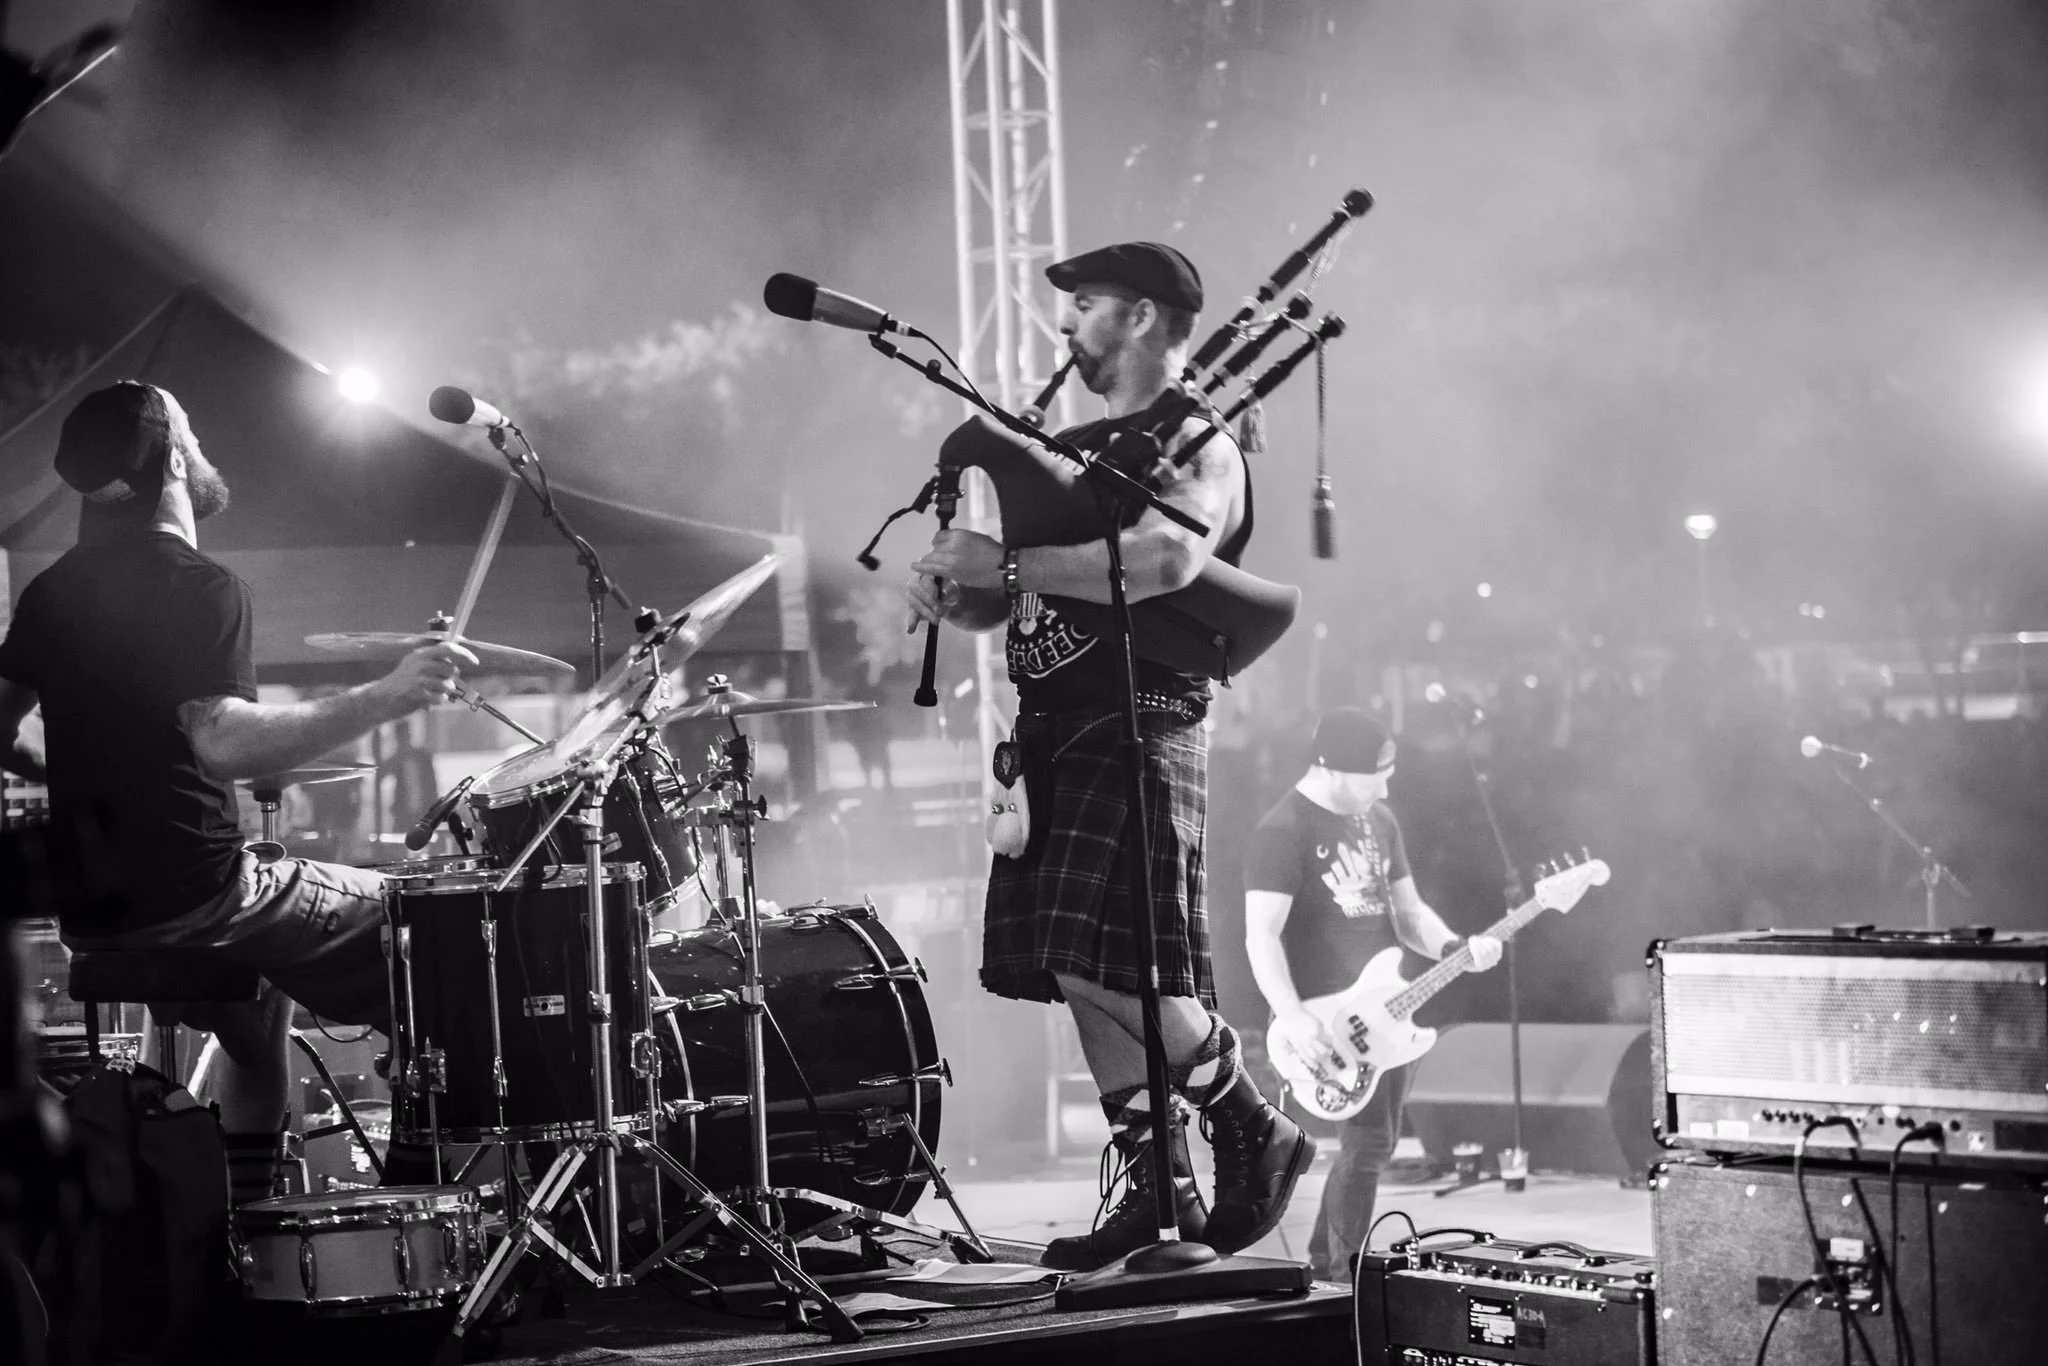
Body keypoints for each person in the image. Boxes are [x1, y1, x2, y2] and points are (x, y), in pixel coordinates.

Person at [906, 241, 1313, 1270]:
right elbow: (1019, 593)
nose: (1064, 325)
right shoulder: (1073, 447)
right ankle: (1154, 1175)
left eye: (1081, 304)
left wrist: (1001, 558)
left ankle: (1246, 1120)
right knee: (1067, 955)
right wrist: (959, 591)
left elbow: (1169, 554)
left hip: (1139, 706)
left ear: (1137, 317)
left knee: (1114, 957)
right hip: (1047, 717)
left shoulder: (1196, 435)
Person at [0, 381, 473, 1200]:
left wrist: (82, 774)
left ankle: (242, 1228)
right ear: (175, 457)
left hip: (99, 915)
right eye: (191, 430)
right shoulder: (202, 586)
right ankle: (420, 1204)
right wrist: (391, 694)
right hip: (202, 894)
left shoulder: (53, 591)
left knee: (262, 1026)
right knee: (434, 930)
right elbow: (221, 743)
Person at [1244, 708, 1503, 1282]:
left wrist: (1456, 946)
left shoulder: (1379, 821)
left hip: (1386, 1008)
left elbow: (1409, 914)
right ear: (1332, 768)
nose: (1386, 785)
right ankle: (1342, 1276)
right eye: (1376, 774)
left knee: (1374, 1147)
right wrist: (1291, 1016)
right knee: (1367, 1145)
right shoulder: (1283, 830)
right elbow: (1259, 935)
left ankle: (1327, 1261)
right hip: (1323, 1018)